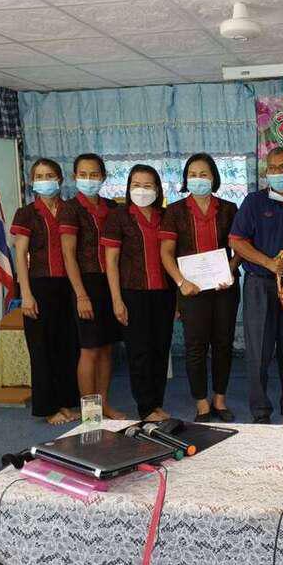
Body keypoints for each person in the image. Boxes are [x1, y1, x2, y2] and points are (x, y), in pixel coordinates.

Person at [229, 147, 283, 423]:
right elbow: (236, 241)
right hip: (260, 285)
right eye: (273, 168)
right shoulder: (253, 202)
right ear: (266, 172)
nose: (278, 172)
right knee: (259, 352)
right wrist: (268, 263)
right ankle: (260, 411)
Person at [160, 154, 241, 423]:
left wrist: (230, 268)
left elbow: (240, 245)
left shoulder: (229, 209)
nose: (198, 179)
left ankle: (220, 399)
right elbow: (166, 252)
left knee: (223, 344)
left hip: (224, 288)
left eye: (203, 174)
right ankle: (202, 403)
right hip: (191, 290)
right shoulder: (175, 211)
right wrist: (181, 282)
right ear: (186, 179)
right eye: (192, 175)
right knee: (195, 346)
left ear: (214, 177)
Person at [101, 164, 175, 422]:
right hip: (132, 293)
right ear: (128, 187)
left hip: (164, 293)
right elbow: (111, 262)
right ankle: (146, 408)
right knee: (139, 352)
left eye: (147, 185)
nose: (142, 190)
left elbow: (175, 256)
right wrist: (116, 300)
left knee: (160, 349)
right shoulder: (118, 216)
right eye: (136, 185)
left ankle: (157, 404)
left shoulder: (166, 215)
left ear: (157, 189)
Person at [11, 158, 79, 425]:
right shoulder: (26, 213)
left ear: (60, 179)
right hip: (38, 286)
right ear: (32, 182)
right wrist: (26, 294)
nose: (45, 180)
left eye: (49, 175)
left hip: (67, 286)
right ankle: (48, 408)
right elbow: (20, 255)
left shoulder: (69, 209)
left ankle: (65, 403)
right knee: (41, 349)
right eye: (39, 176)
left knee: (67, 347)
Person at [59, 153, 124, 420]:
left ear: (103, 177)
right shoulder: (70, 208)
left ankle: (104, 404)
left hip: (111, 282)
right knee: (89, 349)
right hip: (85, 283)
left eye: (94, 174)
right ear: (74, 177)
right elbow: (68, 254)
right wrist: (81, 295)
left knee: (107, 347)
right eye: (83, 174)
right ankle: (90, 411)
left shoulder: (112, 207)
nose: (89, 179)